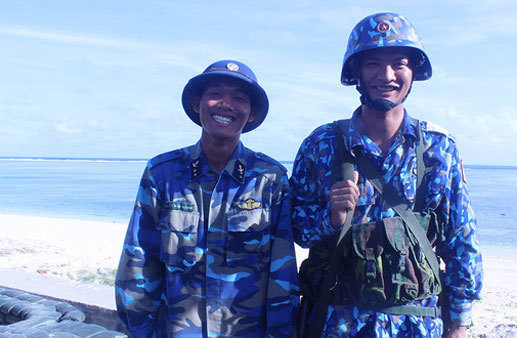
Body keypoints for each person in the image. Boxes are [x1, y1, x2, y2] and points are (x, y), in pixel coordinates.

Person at [290, 13, 483, 337]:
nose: (387, 75)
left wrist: (460, 324)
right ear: (356, 74)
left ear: (413, 73)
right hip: (336, 324)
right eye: (373, 64)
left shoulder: (438, 148)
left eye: (400, 63)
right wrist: (331, 217)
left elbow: (461, 241)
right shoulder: (322, 145)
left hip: (418, 325)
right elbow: (296, 230)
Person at [115, 59, 299, 337]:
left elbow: (282, 274)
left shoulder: (270, 179)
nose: (226, 104)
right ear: (196, 103)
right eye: (215, 94)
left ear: (250, 113)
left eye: (239, 98)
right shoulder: (162, 173)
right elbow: (138, 264)